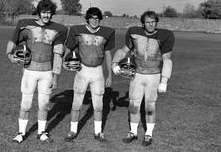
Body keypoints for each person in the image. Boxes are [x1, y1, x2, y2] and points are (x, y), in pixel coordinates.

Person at [6, 0, 68, 143]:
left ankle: (41, 132)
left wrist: (55, 77)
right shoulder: (26, 26)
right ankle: (21, 133)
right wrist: (9, 55)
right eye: (44, 12)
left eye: (49, 12)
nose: (46, 15)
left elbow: (58, 54)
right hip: (30, 71)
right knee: (26, 104)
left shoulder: (59, 29)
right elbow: (13, 40)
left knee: (44, 104)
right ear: (39, 12)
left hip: (46, 72)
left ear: (52, 13)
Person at [112, 11, 175, 146]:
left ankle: (148, 134)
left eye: (153, 21)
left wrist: (164, 80)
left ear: (156, 22)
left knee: (150, 106)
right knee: (134, 104)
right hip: (138, 74)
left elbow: (167, 60)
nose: (151, 24)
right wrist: (114, 63)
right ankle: (133, 132)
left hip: (154, 75)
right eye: (148, 22)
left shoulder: (165, 35)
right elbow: (124, 50)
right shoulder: (134, 32)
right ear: (143, 23)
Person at [63, 7, 115, 142]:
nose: (94, 21)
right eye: (92, 18)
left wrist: (109, 74)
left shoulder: (107, 33)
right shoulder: (77, 31)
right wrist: (63, 61)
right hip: (82, 70)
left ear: (100, 19)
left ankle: (98, 132)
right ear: (87, 18)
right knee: (77, 103)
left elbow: (108, 53)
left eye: (97, 18)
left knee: (98, 104)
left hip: (98, 71)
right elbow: (68, 48)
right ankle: (73, 131)